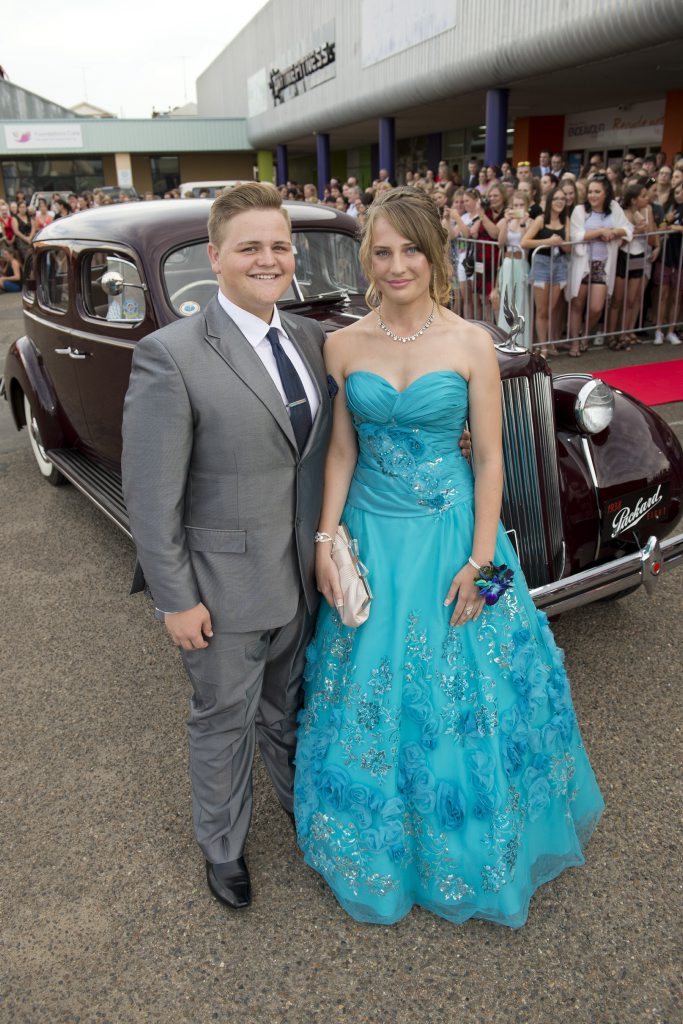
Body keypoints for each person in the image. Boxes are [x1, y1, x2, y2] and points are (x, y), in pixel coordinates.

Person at [293, 186, 604, 927]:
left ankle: (481, 842)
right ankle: (384, 841)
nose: (395, 264)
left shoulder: (469, 342)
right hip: (373, 538)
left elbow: (491, 461)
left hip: (465, 541)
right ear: (366, 258)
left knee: (482, 680)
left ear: (435, 255)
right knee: (372, 692)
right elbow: (340, 449)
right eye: (381, 250)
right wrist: (325, 540)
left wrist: (482, 566)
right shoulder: (342, 344)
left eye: (409, 249)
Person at [121, 182, 334, 911]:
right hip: (220, 590)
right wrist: (174, 600)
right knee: (224, 720)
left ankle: (300, 811)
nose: (267, 259)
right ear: (214, 258)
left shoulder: (309, 340)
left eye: (278, 246)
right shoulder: (169, 355)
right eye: (249, 247)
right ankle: (222, 848)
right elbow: (151, 498)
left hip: (301, 580)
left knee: (289, 708)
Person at [567, 174, 633, 356]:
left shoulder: (614, 208)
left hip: (603, 265)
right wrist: (600, 232)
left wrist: (613, 231)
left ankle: (585, 335)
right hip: (582, 263)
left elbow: (628, 230)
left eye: (597, 191)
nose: (593, 195)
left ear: (606, 193)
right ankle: (574, 342)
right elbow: (576, 235)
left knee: (597, 307)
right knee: (577, 304)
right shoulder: (580, 210)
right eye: (590, 191)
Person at [523, 187, 572, 358]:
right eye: (557, 198)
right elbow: (525, 241)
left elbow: (568, 246)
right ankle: (543, 346)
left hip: (560, 265)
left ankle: (548, 342)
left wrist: (564, 244)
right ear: (550, 200)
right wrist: (548, 241)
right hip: (541, 265)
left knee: (552, 308)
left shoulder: (566, 220)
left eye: (563, 199)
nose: (560, 201)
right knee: (542, 310)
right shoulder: (541, 219)